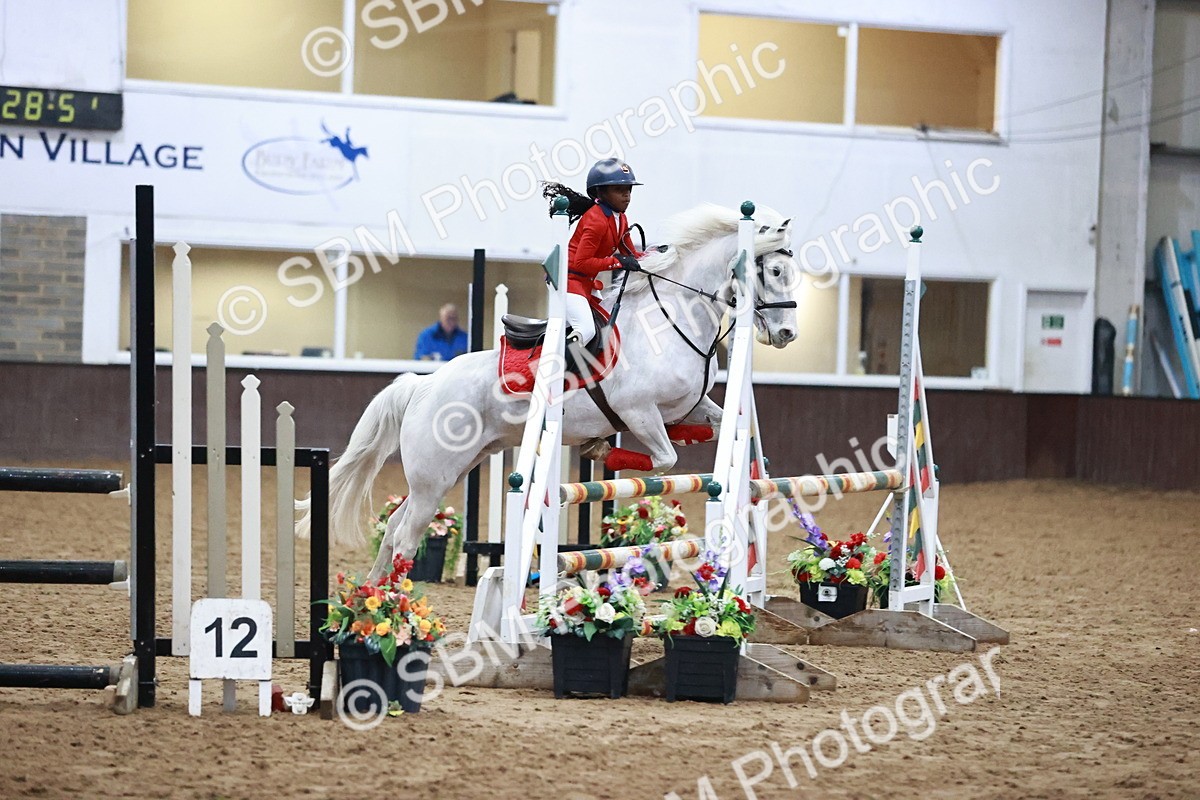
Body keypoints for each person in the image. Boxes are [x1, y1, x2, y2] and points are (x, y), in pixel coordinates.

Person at [561, 158, 645, 346]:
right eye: (619, 190)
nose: (627, 196)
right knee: (586, 330)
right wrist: (617, 262)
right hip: (568, 282)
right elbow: (582, 263)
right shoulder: (595, 220)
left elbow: (632, 256)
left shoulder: (621, 219)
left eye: (629, 190)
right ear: (600, 192)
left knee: (604, 326)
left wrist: (659, 254)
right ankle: (557, 371)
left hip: (586, 284)